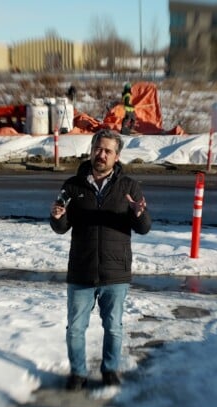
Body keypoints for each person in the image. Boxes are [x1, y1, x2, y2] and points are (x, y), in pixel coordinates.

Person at [49, 128, 151, 390]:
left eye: (108, 151)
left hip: (115, 271)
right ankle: (78, 374)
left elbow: (143, 228)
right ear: (91, 150)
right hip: (81, 270)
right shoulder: (72, 185)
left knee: (114, 328)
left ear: (117, 157)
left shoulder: (129, 187)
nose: (101, 154)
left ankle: (109, 370)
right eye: (98, 149)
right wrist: (58, 216)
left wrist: (139, 214)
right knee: (75, 329)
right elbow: (61, 227)